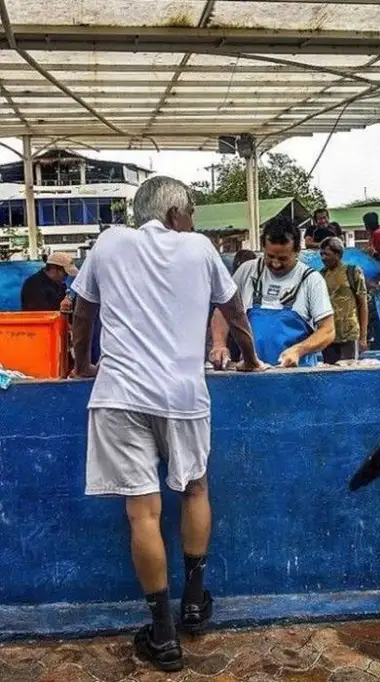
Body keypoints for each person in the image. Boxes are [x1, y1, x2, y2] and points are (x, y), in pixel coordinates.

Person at [70, 176, 265, 672]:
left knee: (143, 513)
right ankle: (195, 604)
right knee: (195, 489)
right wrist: (249, 358)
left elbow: (82, 316)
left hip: (119, 394)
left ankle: (162, 634)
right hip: (183, 394)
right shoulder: (199, 249)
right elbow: (234, 311)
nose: (194, 222)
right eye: (192, 213)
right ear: (176, 212)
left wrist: (82, 365)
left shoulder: (108, 244)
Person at [211, 214, 335, 368]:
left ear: (297, 251)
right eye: (270, 256)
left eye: (283, 258)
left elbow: (328, 330)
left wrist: (298, 350)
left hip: (297, 376)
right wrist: (219, 345)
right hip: (252, 374)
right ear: (263, 247)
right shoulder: (247, 271)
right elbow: (223, 311)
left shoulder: (311, 280)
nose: (275, 264)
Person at [319, 237, 368, 364]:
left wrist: (363, 336)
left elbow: (363, 305)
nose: (323, 257)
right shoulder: (321, 275)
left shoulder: (352, 272)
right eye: (321, 254)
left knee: (349, 373)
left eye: (327, 254)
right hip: (328, 336)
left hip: (349, 335)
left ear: (337, 254)